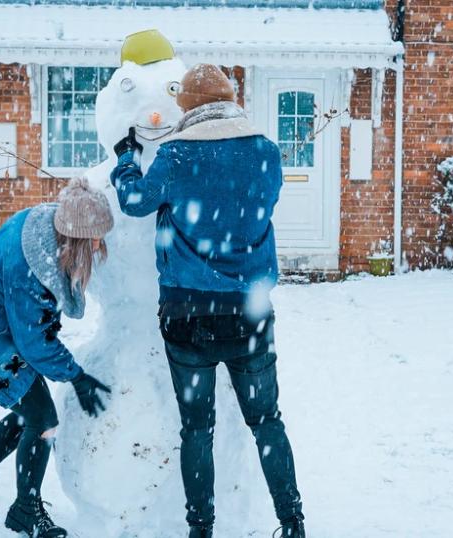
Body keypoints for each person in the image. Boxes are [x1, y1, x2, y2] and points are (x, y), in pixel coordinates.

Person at [110, 63, 306, 538]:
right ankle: (292, 520)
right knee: (266, 422)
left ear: (191, 106)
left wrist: (126, 159)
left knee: (197, 429)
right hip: (249, 316)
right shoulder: (265, 151)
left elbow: (134, 200)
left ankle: (201, 528)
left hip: (187, 316)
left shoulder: (177, 155)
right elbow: (264, 203)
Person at [0, 178, 114, 538]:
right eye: (95, 239)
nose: (100, 246)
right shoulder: (31, 268)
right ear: (77, 237)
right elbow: (34, 341)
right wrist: (77, 377)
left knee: (30, 413)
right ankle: (26, 510)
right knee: (43, 418)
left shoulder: (49, 228)